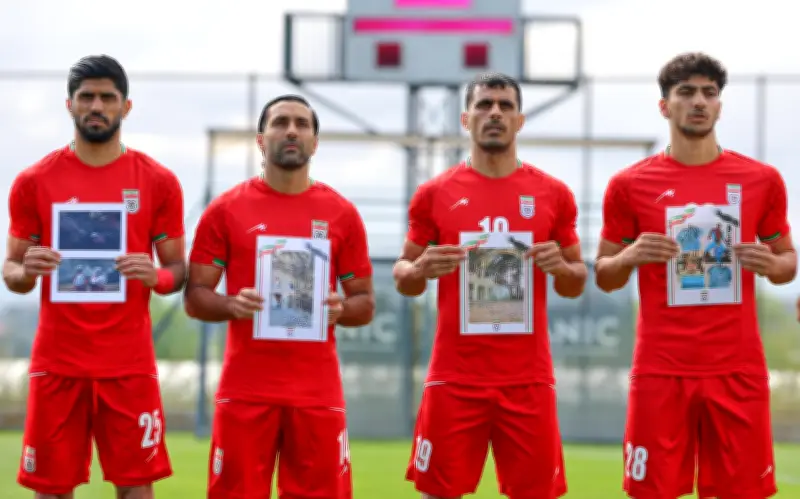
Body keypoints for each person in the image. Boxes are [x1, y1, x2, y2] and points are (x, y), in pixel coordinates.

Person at [595, 52, 797, 499]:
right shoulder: (629, 185)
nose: (699, 101)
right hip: (660, 370)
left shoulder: (761, 180)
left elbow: (788, 264)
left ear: (720, 106)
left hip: (737, 369)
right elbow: (604, 274)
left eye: (709, 92)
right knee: (652, 492)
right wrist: (630, 259)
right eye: (686, 92)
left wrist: (770, 263)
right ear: (665, 106)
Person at [394, 72, 587, 499]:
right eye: (484, 105)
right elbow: (404, 277)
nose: (494, 113)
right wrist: (421, 268)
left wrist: (560, 268)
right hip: (454, 377)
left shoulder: (553, 194)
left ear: (520, 120)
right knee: (439, 492)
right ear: (466, 119)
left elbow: (576, 283)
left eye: (505, 105)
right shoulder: (434, 194)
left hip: (527, 378)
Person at [3, 55, 186, 499]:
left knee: (135, 488)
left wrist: (154, 277)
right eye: (86, 97)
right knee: (51, 489)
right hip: (58, 363)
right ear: (69, 105)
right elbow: (11, 269)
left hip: (128, 365)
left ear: (126, 106)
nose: (96, 106)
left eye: (108, 97)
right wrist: (28, 270)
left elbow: (178, 270)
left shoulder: (158, 182)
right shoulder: (35, 181)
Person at [184, 94, 375, 499]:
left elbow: (365, 304)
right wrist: (231, 304)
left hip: (316, 393)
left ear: (315, 142)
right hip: (246, 391)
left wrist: (340, 309)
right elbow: (195, 296)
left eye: (303, 124)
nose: (292, 130)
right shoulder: (225, 210)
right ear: (260, 139)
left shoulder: (341, 213)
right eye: (281, 122)